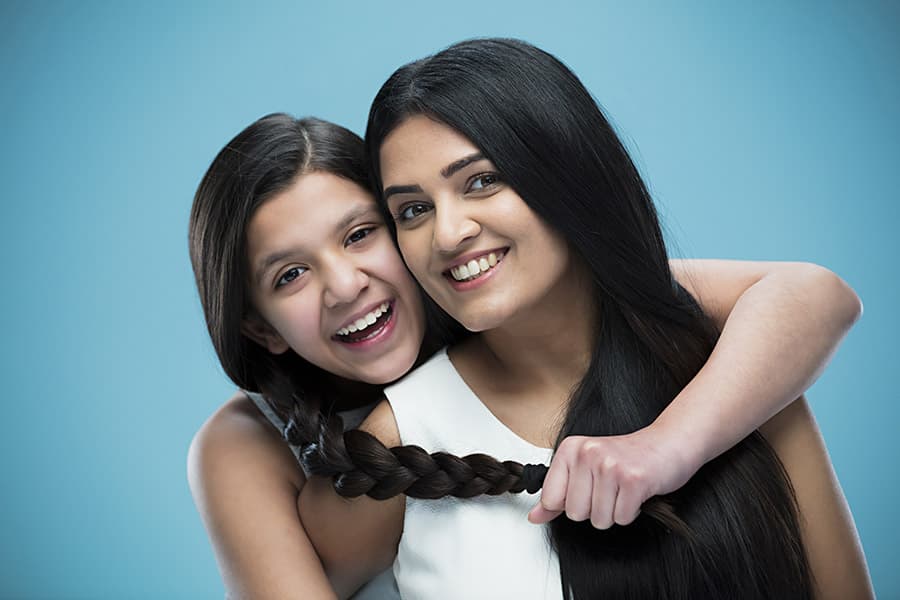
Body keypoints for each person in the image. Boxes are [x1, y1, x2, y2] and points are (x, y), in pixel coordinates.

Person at [187, 115, 863, 597]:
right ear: (260, 329)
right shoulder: (246, 443)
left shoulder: (509, 300)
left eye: (363, 234)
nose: (344, 285)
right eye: (289, 276)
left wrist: (667, 446)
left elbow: (809, 291)